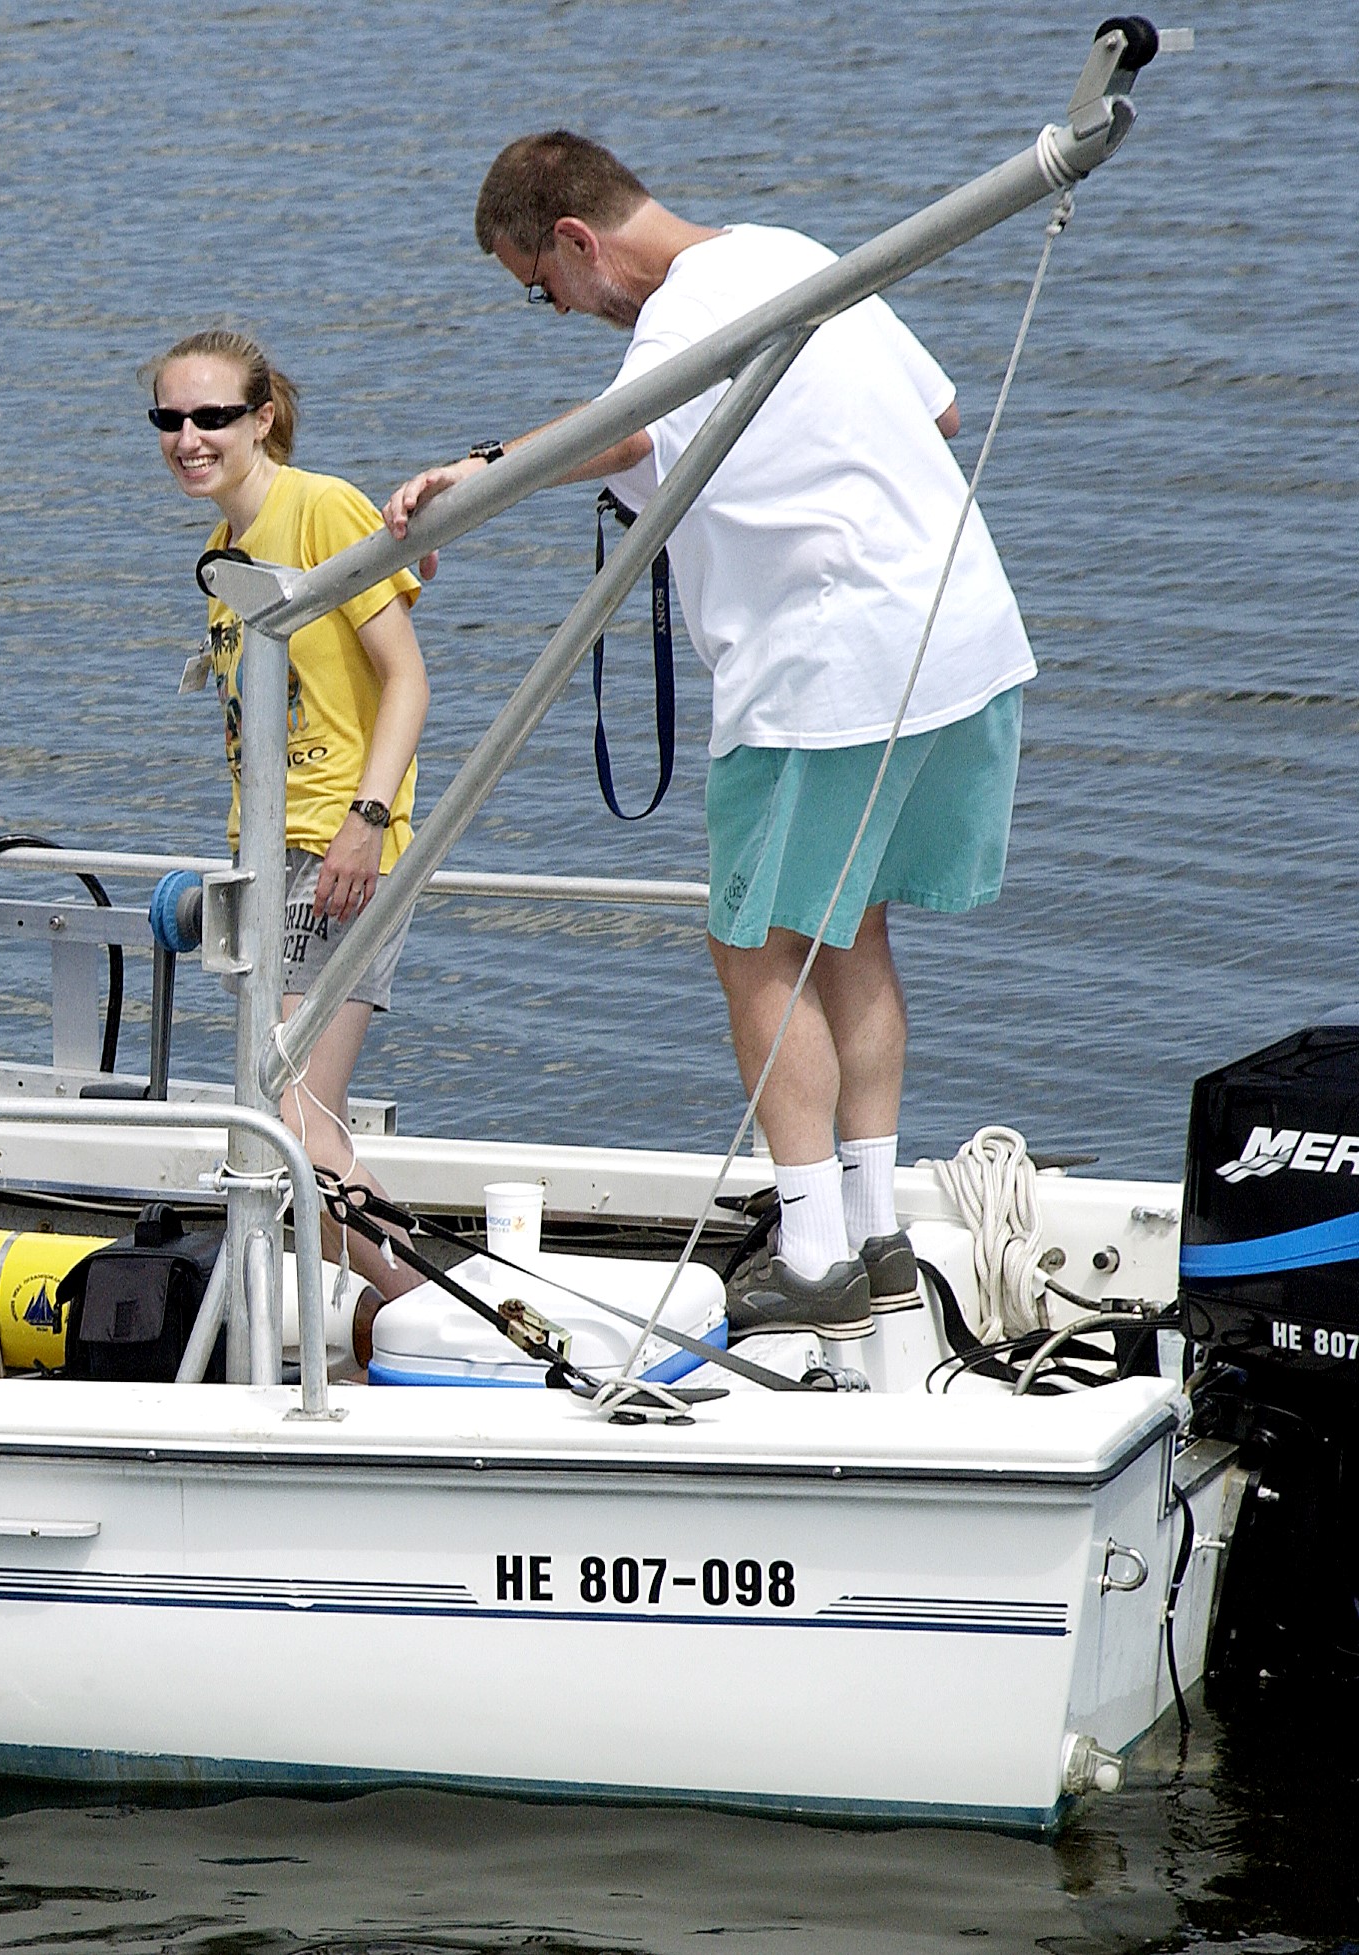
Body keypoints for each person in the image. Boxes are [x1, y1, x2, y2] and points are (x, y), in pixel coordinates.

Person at [382, 132, 1035, 1338]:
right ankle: (876, 1230)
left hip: (828, 668)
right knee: (853, 924)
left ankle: (818, 1254)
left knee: (757, 948)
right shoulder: (790, 252)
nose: (559, 309)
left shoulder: (680, 319)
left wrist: (471, 473)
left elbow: (624, 434)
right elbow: (937, 410)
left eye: (543, 289)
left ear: (577, 241)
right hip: (960, 636)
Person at [147, 328, 430, 1313]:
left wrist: (365, 817)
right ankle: (392, 1307)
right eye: (171, 419)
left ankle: (434, 1307)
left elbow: (407, 678)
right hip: (271, 859)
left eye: (213, 416)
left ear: (261, 417)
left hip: (340, 847)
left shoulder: (319, 509)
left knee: (290, 1116)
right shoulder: (224, 550)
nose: (190, 437)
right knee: (306, 1119)